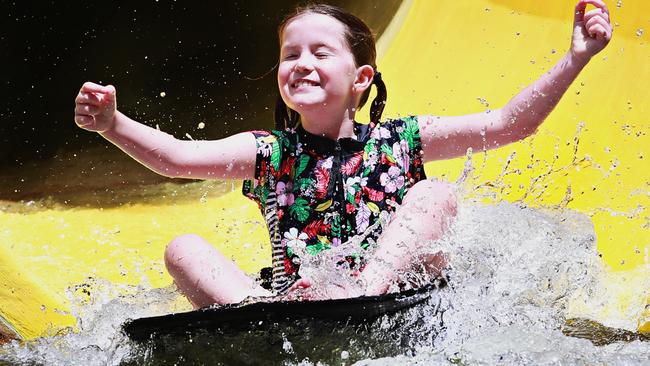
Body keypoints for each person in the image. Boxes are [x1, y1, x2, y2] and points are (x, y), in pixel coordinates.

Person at [73, 1, 612, 308]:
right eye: (290, 54)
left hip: (394, 296)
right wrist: (112, 124)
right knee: (182, 247)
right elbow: (176, 160)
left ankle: (364, 290)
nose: (301, 63)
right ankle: (265, 314)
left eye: (319, 52)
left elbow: (506, 125)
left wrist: (575, 57)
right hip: (301, 303)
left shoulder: (403, 140)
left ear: (361, 78)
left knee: (437, 193)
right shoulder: (272, 152)